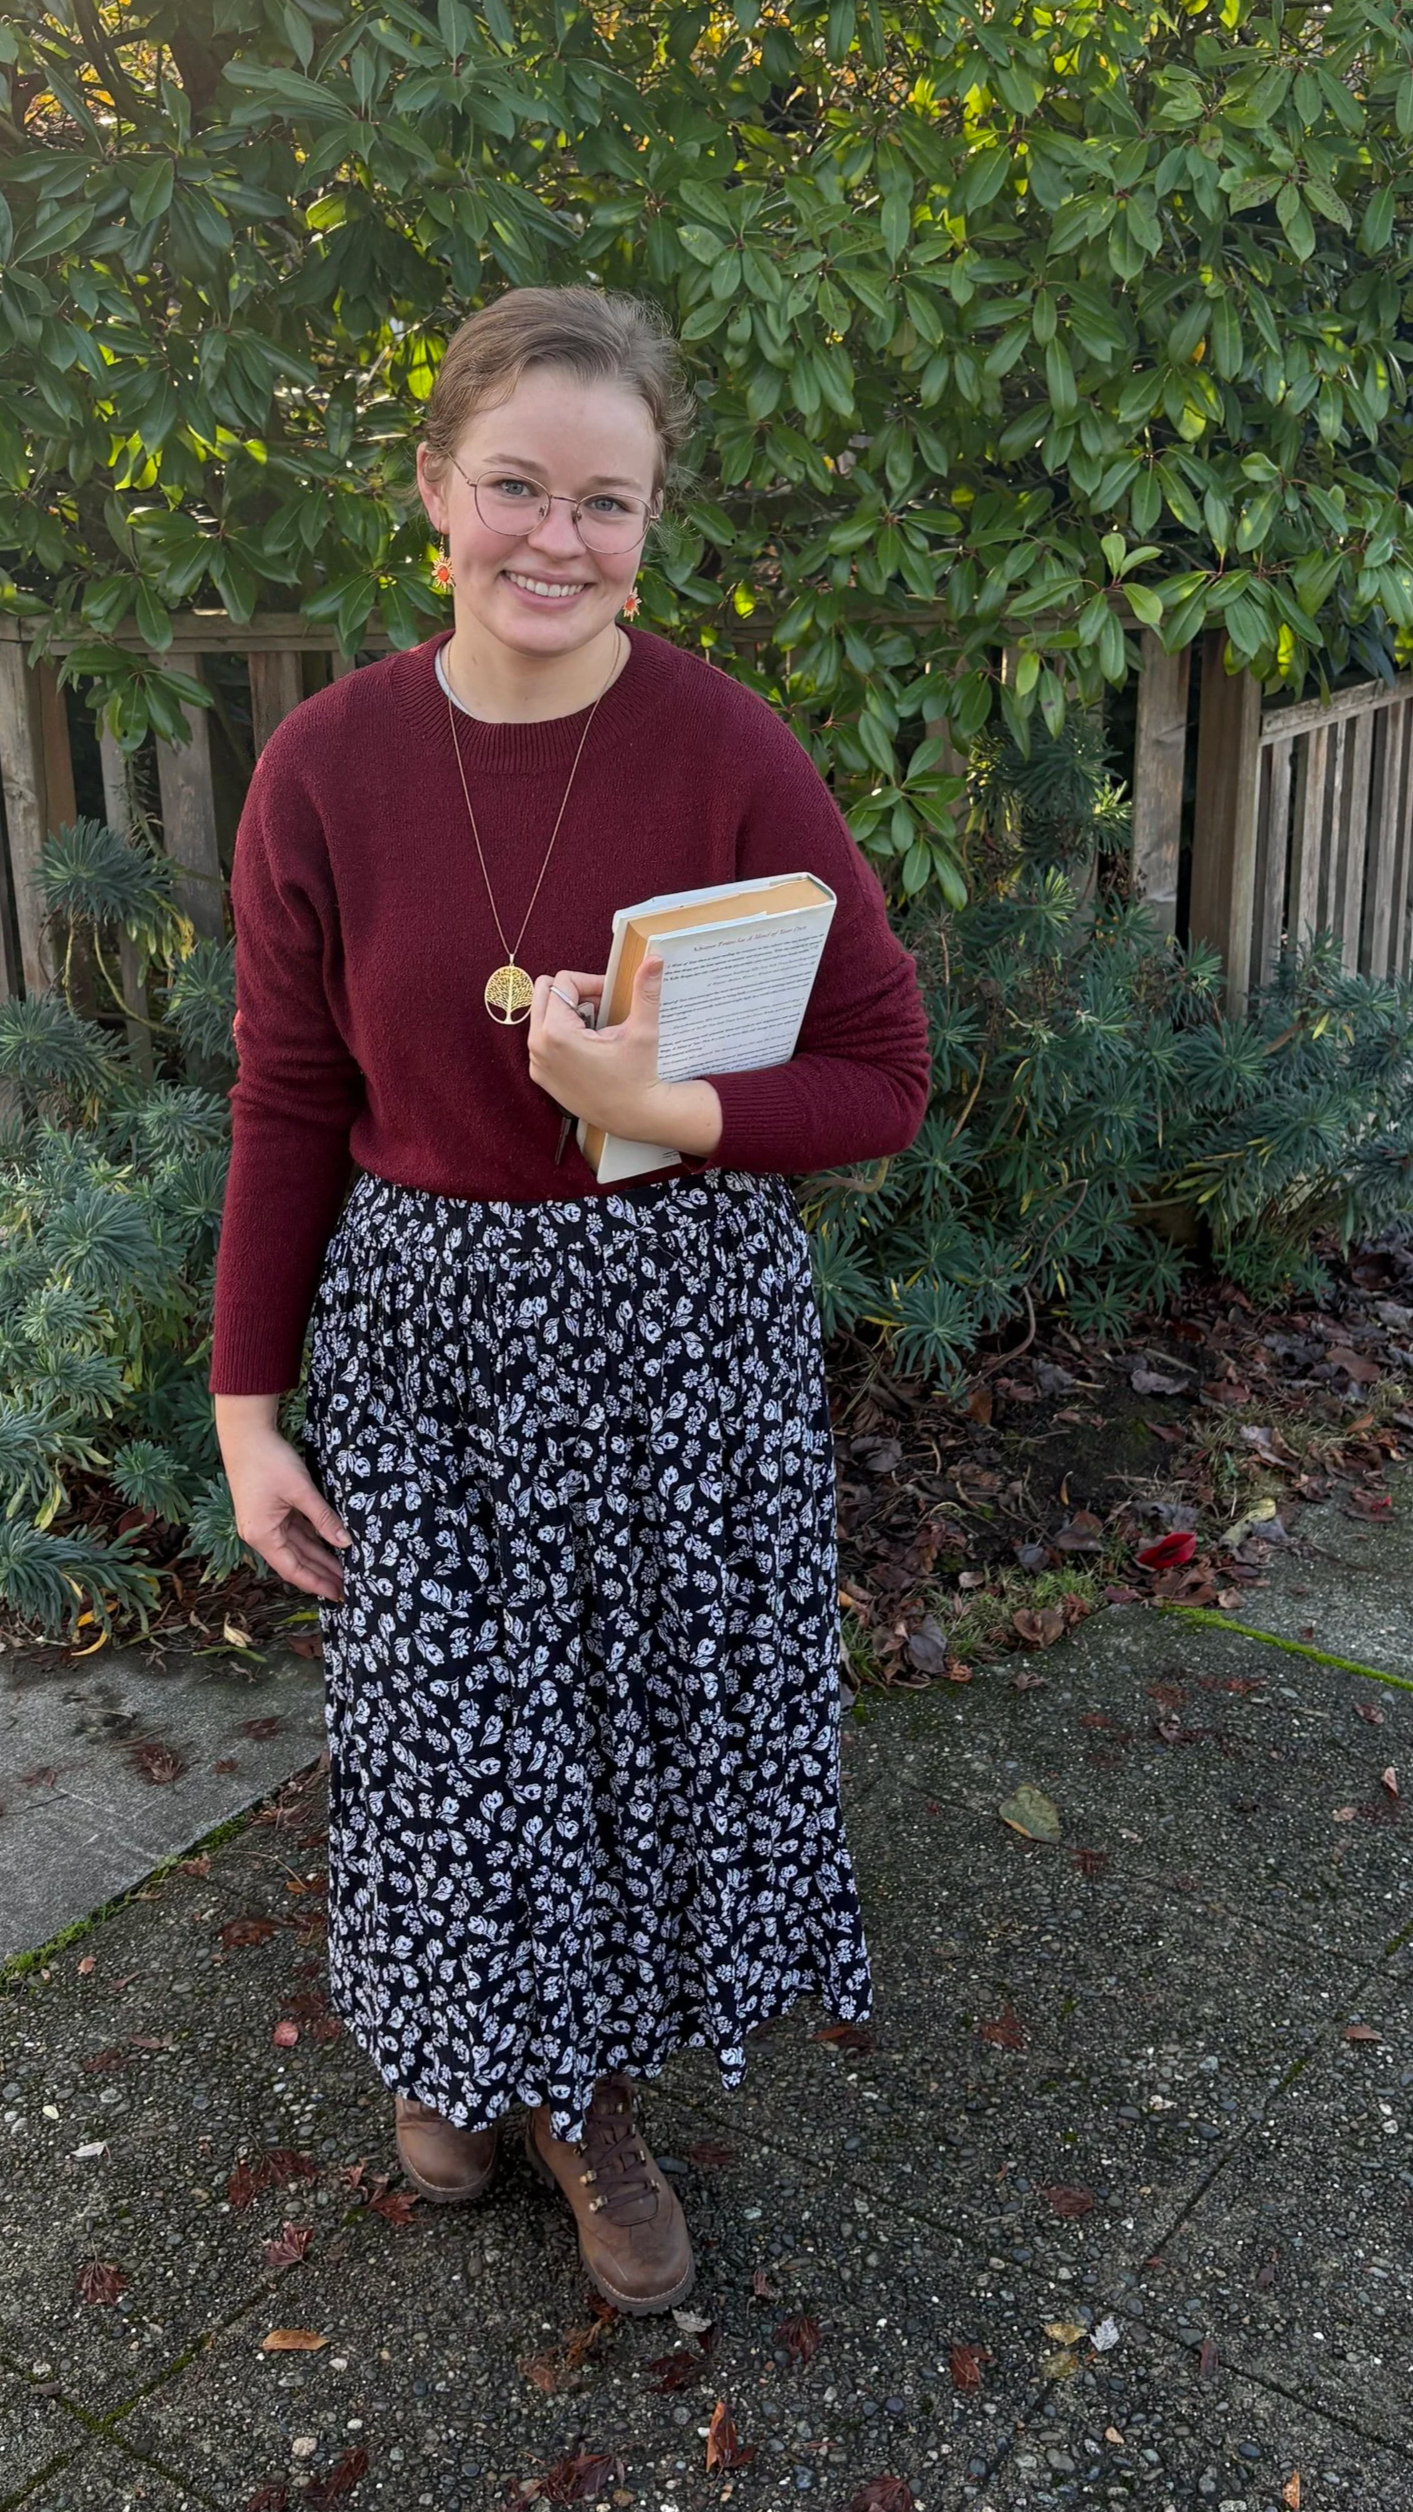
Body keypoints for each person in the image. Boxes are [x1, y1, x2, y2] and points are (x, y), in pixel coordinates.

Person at [212, 284, 929, 2318]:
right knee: (444, 1728)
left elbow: (882, 1068)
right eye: (515, 484)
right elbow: (285, 1095)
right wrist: (246, 1408)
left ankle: (574, 2088)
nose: (555, 536)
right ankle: (467, 2049)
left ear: (649, 520)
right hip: (424, 1339)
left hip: (677, 1333)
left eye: (604, 501)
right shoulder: (326, 767)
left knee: (622, 1741)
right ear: (433, 488)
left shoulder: (720, 746)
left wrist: (665, 1103)